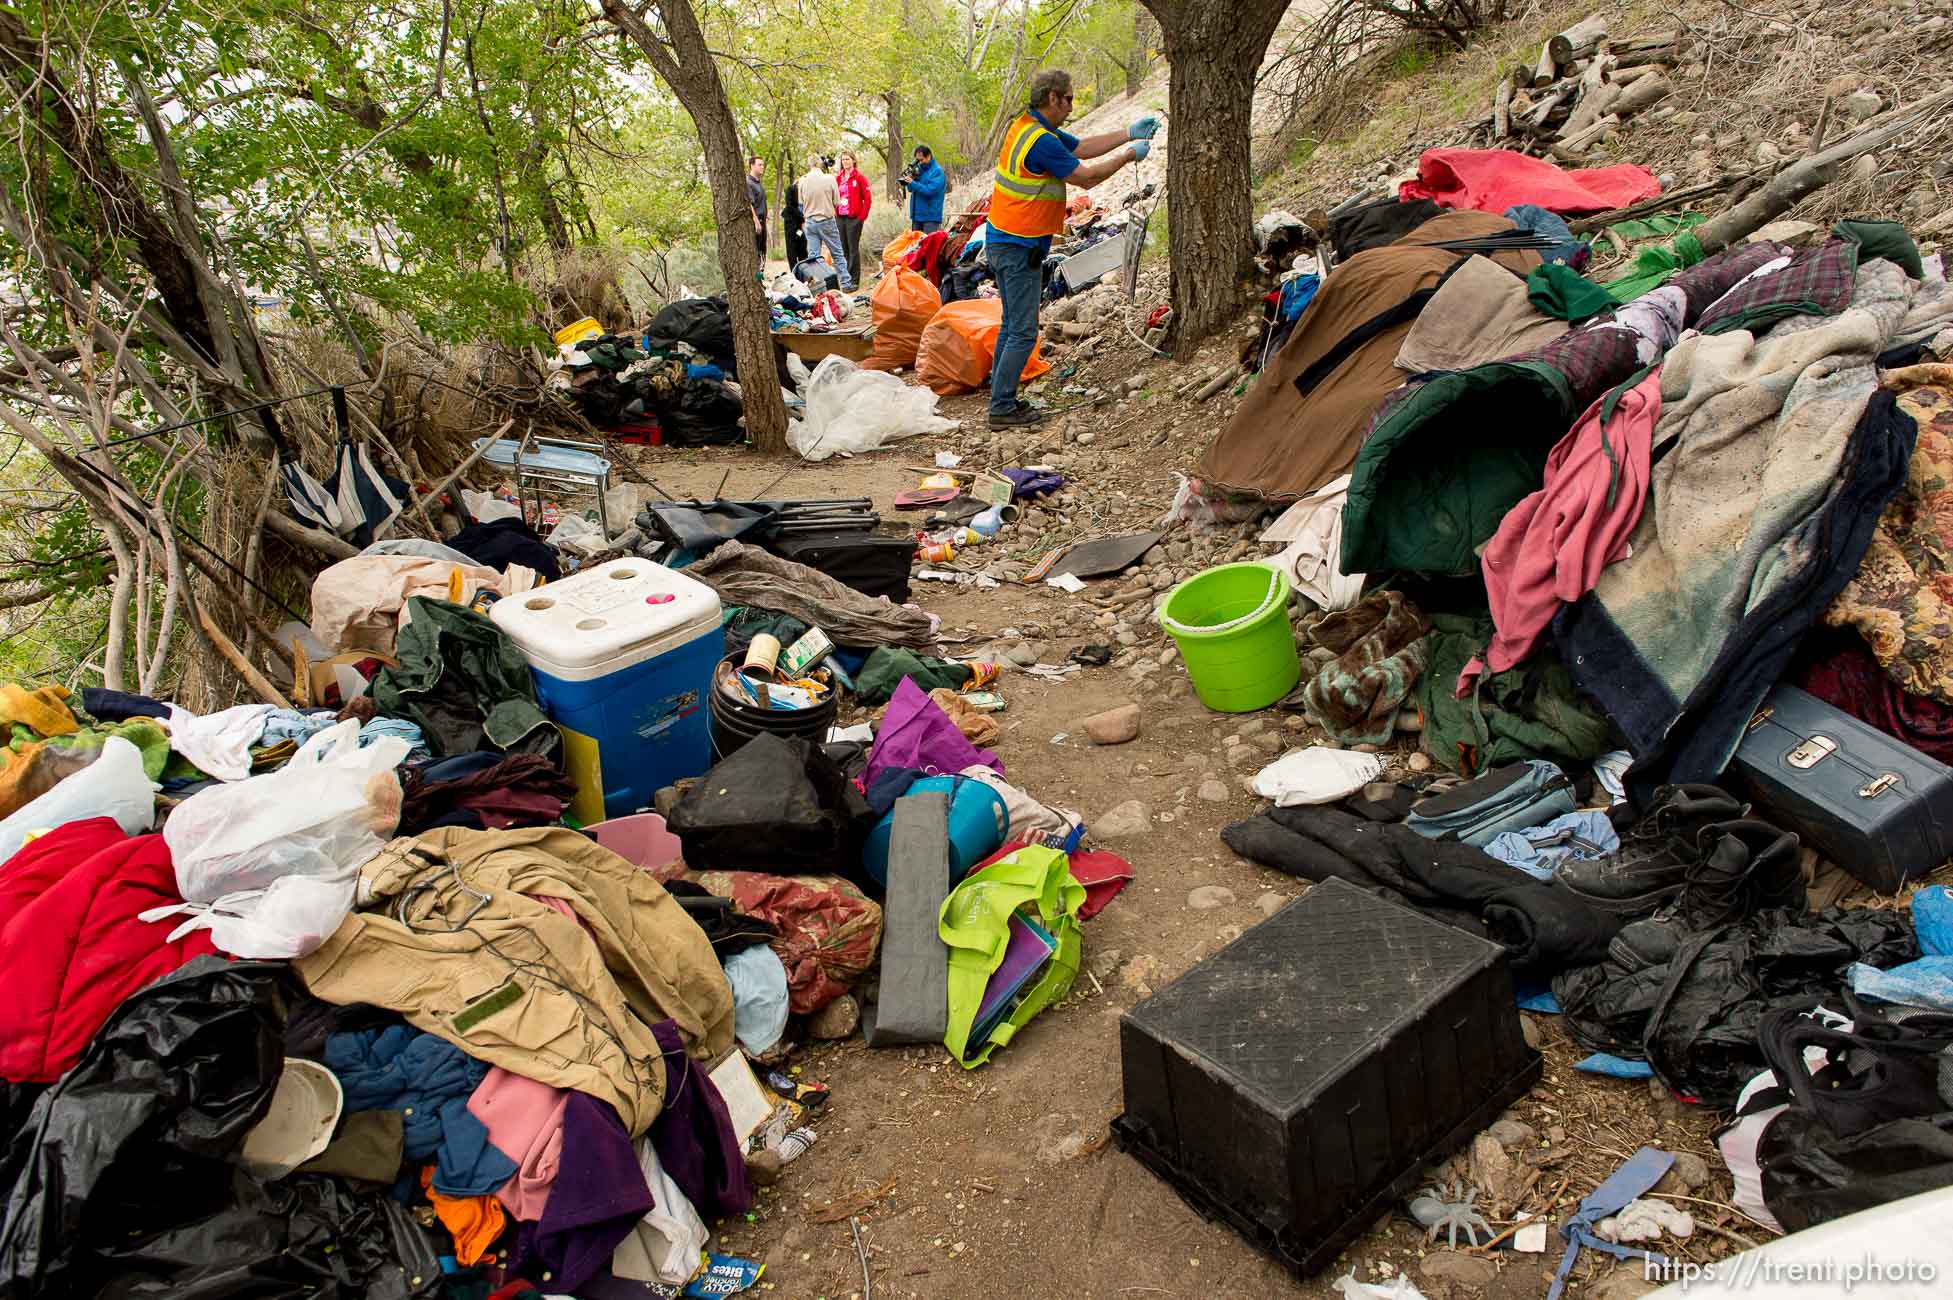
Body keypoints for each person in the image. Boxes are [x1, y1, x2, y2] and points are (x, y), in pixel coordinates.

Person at [985, 70, 1154, 429]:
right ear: (1052, 98)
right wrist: (1128, 156)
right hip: (1018, 246)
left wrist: (1128, 132)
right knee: (1023, 331)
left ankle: (1000, 394)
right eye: (1070, 99)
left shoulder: (1028, 127)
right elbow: (1086, 176)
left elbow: (1079, 147)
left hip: (1003, 241)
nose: (1072, 106)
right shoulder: (1041, 141)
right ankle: (1001, 408)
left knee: (1010, 325)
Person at [796, 156, 853, 292]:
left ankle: (817, 286)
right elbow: (837, 202)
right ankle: (845, 283)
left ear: (809, 165)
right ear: (820, 163)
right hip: (826, 220)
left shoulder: (802, 181)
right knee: (837, 253)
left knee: (813, 256)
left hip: (810, 221)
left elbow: (801, 203)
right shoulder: (829, 179)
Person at [835, 151, 873, 285]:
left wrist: (861, 217)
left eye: (848, 159)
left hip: (854, 218)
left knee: (853, 249)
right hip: (840, 217)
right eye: (843, 159)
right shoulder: (838, 178)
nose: (845, 162)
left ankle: (854, 279)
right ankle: (845, 278)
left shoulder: (860, 177)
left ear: (853, 161)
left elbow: (867, 199)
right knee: (843, 248)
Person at [901, 145, 946, 233]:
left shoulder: (937, 172)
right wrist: (908, 180)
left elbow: (929, 191)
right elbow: (911, 189)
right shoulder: (918, 170)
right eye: (918, 160)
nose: (920, 162)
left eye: (921, 160)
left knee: (928, 244)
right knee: (916, 245)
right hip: (917, 215)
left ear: (929, 156)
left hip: (930, 217)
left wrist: (912, 182)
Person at [782, 169, 808, 269]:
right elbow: (790, 206)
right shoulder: (791, 189)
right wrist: (802, 217)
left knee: (802, 243)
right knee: (791, 247)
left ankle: (804, 269)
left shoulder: (806, 192)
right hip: (791, 223)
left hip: (800, 225)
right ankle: (794, 271)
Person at [746, 156, 768, 259]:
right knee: (757, 253)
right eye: (759, 165)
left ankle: (760, 274)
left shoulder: (758, 183)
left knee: (763, 251)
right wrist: (756, 222)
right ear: (752, 166)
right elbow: (749, 204)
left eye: (763, 165)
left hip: (762, 221)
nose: (762, 167)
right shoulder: (748, 183)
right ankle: (756, 274)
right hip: (756, 224)